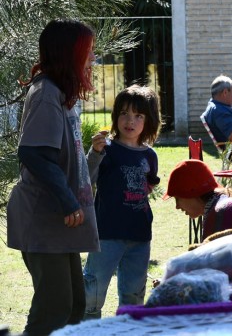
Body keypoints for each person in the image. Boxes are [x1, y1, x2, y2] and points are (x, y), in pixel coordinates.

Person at [7, 20, 99, 335]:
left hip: (59, 224)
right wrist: (68, 201)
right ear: (68, 54)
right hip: (44, 220)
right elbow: (33, 153)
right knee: (54, 309)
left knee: (73, 306)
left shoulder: (59, 93)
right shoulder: (45, 92)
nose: (92, 60)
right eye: (88, 52)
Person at [82, 85, 162, 319]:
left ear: (149, 121)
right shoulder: (106, 149)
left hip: (139, 236)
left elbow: (148, 186)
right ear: (116, 116)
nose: (130, 121)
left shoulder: (150, 155)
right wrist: (94, 154)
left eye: (139, 115)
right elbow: (87, 178)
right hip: (107, 234)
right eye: (124, 113)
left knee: (134, 296)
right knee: (93, 291)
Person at [164, 159, 232, 241]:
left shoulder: (219, 213)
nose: (177, 207)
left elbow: (210, 260)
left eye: (177, 198)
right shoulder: (220, 205)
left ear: (192, 193)